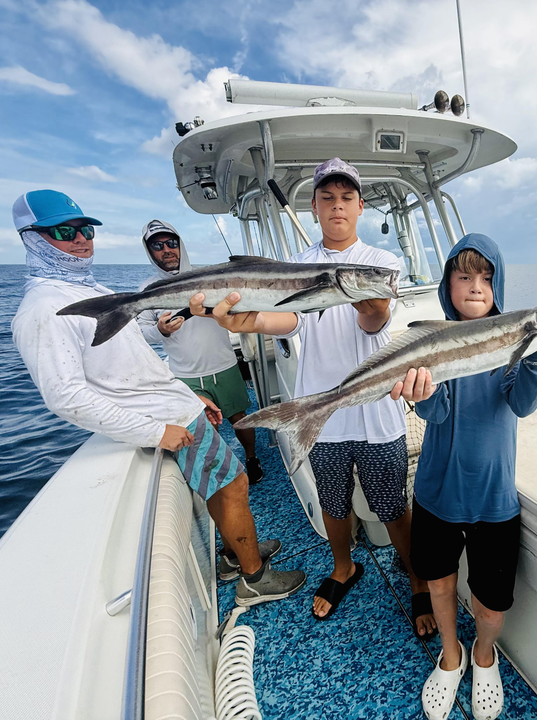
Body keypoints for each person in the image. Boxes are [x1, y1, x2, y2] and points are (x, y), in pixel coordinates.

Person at [10, 190, 305, 607]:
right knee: (235, 484)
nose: (81, 240)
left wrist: (187, 398)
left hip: (179, 407)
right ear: (33, 238)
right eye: (64, 231)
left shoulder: (88, 290)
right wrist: (154, 430)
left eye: (85, 229)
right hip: (165, 421)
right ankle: (254, 578)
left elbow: (135, 361)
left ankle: (231, 556)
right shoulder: (43, 309)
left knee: (225, 485)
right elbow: (64, 396)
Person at [187, 158, 437, 637]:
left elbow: (375, 321)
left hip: (376, 408)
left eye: (346, 198)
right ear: (316, 207)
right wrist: (252, 321)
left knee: (392, 504)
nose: (337, 206)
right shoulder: (299, 266)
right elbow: (288, 318)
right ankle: (343, 567)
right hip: (320, 413)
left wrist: (373, 305)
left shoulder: (381, 263)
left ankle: (419, 580)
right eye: (327, 198)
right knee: (333, 502)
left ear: (360, 206)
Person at [392, 234, 537, 720]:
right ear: (448, 283)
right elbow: (437, 411)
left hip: (495, 498)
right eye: (464, 275)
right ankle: (451, 657)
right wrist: (421, 393)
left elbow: (521, 403)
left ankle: (484, 655)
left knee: (492, 605)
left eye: (487, 277)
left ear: (499, 285)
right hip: (435, 494)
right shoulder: (434, 340)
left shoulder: (515, 339)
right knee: (440, 587)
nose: (476, 286)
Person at [135, 220, 267, 580]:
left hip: (223, 363)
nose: (166, 250)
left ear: (180, 243)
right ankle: (235, 550)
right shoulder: (150, 288)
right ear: (150, 252)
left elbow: (236, 308)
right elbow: (141, 328)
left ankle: (252, 459)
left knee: (241, 417)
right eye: (158, 246)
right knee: (204, 444)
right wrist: (160, 329)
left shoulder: (208, 276)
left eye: (170, 242)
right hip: (185, 375)